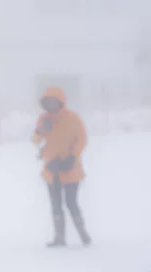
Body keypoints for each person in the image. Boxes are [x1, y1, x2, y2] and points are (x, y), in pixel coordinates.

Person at [32, 87, 91, 247]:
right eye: (47, 102)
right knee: (55, 203)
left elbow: (82, 139)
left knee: (71, 201)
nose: (51, 105)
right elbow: (35, 140)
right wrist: (39, 130)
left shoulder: (73, 118)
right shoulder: (44, 119)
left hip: (71, 168)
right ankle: (59, 238)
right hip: (52, 169)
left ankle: (83, 235)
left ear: (60, 102)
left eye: (53, 101)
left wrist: (72, 157)